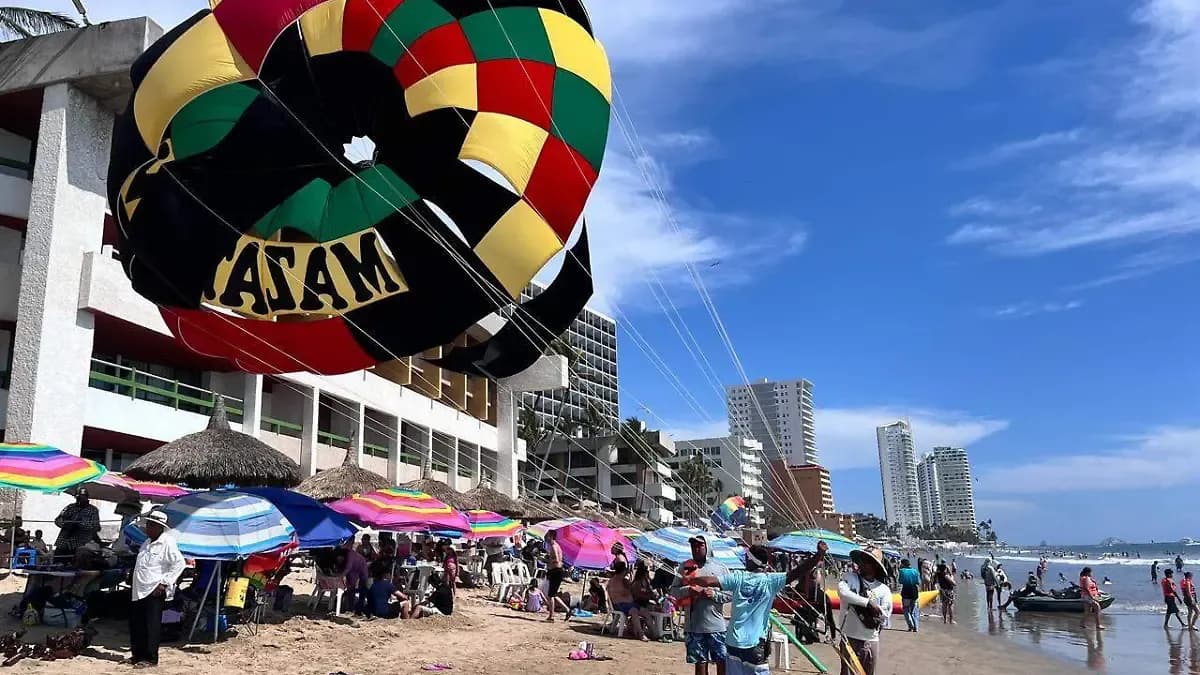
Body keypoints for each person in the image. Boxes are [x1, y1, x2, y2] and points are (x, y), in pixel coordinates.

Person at [687, 541, 828, 675]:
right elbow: (798, 571)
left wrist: (690, 579)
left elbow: (710, 581)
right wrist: (818, 556)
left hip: (733, 643)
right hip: (755, 645)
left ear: (751, 561)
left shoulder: (738, 578)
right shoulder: (771, 580)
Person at [128, 510, 186, 669]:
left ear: (160, 527)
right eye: (148, 524)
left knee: (151, 625)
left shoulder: (167, 542)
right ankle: (137, 655)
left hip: (154, 590)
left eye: (151, 525)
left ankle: (150, 658)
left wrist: (164, 583)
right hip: (139, 589)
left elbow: (179, 564)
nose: (148, 528)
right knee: (137, 624)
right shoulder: (146, 543)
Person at [670, 534, 731, 675]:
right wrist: (688, 591)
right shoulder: (685, 567)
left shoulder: (720, 568)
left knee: (721, 662)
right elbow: (673, 591)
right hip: (694, 626)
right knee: (700, 664)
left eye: (700, 546)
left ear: (708, 547)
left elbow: (731, 594)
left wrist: (714, 594)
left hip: (716, 626)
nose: (696, 549)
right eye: (693, 546)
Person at [834, 547, 892, 675]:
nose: (862, 563)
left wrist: (875, 610)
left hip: (871, 640)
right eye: (862, 560)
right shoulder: (850, 578)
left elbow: (885, 614)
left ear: (875, 566)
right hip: (849, 638)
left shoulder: (883, 589)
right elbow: (843, 593)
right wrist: (867, 603)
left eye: (867, 560)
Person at [53, 489, 100, 562]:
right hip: (63, 542)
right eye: (78, 497)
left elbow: (96, 526)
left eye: (82, 497)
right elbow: (57, 520)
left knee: (76, 565)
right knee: (58, 562)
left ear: (87, 498)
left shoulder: (93, 510)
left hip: (80, 543)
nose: (79, 499)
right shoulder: (70, 507)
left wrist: (80, 525)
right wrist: (66, 524)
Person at [608, 560, 649, 641]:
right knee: (634, 611)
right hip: (621, 605)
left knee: (646, 612)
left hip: (626, 604)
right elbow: (627, 593)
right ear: (624, 570)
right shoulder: (619, 581)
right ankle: (641, 634)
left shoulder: (614, 580)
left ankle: (654, 633)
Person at [543, 530, 571, 622]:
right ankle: (567, 610)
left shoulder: (554, 546)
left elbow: (557, 560)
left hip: (555, 571)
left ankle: (551, 616)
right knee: (553, 594)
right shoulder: (556, 546)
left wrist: (547, 560)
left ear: (550, 536)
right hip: (556, 571)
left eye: (547, 535)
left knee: (550, 595)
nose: (545, 536)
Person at [343, 540, 370, 616]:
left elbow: (348, 567)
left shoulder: (350, 554)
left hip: (359, 570)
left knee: (357, 589)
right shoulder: (348, 553)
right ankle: (352, 608)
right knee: (353, 589)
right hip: (355, 570)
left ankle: (354, 608)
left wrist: (342, 575)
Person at [897, 559, 921, 632]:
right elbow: (918, 582)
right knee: (913, 610)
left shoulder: (902, 571)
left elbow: (900, 581)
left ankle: (911, 626)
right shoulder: (915, 571)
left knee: (906, 610)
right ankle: (916, 627)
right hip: (914, 591)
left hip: (906, 592)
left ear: (903, 564)